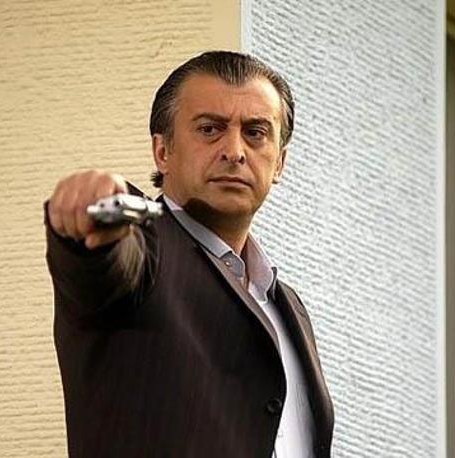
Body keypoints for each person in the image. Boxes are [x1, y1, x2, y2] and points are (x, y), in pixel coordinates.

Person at [45, 51, 334, 457]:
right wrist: (91, 212)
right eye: (210, 129)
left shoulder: (288, 305)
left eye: (255, 132)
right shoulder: (144, 247)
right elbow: (105, 261)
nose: (234, 150)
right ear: (163, 151)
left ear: (280, 163)